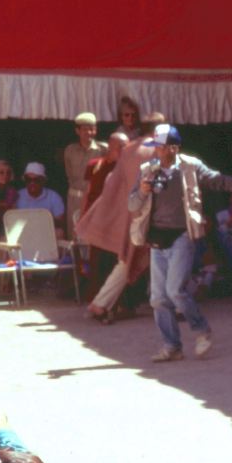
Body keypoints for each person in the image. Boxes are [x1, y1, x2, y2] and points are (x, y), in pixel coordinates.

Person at [128, 124, 232, 361]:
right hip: (157, 240)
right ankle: (172, 346)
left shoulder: (190, 167)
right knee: (157, 298)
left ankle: (202, 331)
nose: (155, 150)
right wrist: (143, 192)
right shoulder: (147, 170)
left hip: (182, 236)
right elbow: (133, 205)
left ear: (172, 148)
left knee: (175, 291)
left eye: (159, 146)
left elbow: (220, 181)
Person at [77, 114, 164, 321]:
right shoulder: (158, 149)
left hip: (131, 212)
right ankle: (172, 304)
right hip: (154, 213)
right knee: (164, 256)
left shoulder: (129, 149)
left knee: (129, 260)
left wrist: (106, 213)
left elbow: (113, 185)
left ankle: (101, 303)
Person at [81, 132, 129, 321]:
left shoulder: (129, 167)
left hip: (119, 221)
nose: (122, 151)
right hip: (99, 220)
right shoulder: (97, 165)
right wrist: (84, 217)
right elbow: (88, 192)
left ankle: (119, 305)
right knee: (98, 263)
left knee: (118, 263)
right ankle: (98, 303)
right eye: (119, 148)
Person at [63, 113, 105, 236]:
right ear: (77, 131)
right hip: (75, 197)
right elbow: (69, 173)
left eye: (91, 129)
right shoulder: (70, 151)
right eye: (85, 129)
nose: (88, 133)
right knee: (74, 233)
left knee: (95, 233)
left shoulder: (102, 150)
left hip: (95, 197)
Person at [15, 164, 65, 237]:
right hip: (24, 232)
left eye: (36, 180)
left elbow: (60, 222)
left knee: (60, 232)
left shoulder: (54, 197)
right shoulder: (17, 195)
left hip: (46, 232)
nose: (32, 183)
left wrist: (41, 220)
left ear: (43, 181)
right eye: (28, 180)